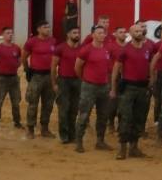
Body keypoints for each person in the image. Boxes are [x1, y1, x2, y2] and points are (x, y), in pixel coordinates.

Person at [111, 21, 153, 160]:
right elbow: (116, 69)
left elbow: (151, 65)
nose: (139, 33)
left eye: (141, 31)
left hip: (142, 87)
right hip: (128, 87)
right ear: (131, 33)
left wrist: (151, 80)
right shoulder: (125, 49)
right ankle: (122, 148)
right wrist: (113, 88)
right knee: (125, 117)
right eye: (136, 31)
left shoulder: (147, 48)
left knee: (139, 118)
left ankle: (134, 147)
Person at [73, 25, 114, 153]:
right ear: (93, 35)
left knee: (103, 115)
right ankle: (79, 141)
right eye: (99, 33)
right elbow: (77, 67)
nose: (103, 35)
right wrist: (85, 79)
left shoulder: (107, 49)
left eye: (103, 33)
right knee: (84, 114)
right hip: (89, 86)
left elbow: (108, 69)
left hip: (103, 86)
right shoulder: (86, 50)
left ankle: (100, 141)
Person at [22, 20, 57, 139]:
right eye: (45, 27)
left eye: (48, 27)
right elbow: (24, 57)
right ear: (38, 29)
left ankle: (44, 128)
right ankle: (30, 129)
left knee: (48, 103)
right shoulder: (32, 42)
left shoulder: (53, 41)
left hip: (49, 75)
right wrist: (27, 70)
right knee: (33, 103)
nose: (48, 29)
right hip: (36, 76)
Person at [52, 26, 82, 143]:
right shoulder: (60, 48)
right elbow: (53, 67)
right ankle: (64, 135)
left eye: (78, 33)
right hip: (63, 81)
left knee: (74, 109)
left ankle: (72, 134)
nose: (77, 35)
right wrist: (54, 83)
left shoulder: (82, 48)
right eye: (74, 33)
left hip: (77, 80)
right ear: (68, 34)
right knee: (64, 109)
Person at [0, 27, 22, 129]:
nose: (10, 35)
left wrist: (13, 68)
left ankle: (17, 122)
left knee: (16, 102)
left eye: (11, 33)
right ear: (3, 35)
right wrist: (0, 70)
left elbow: (19, 61)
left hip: (14, 78)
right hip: (2, 79)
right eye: (8, 33)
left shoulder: (16, 48)